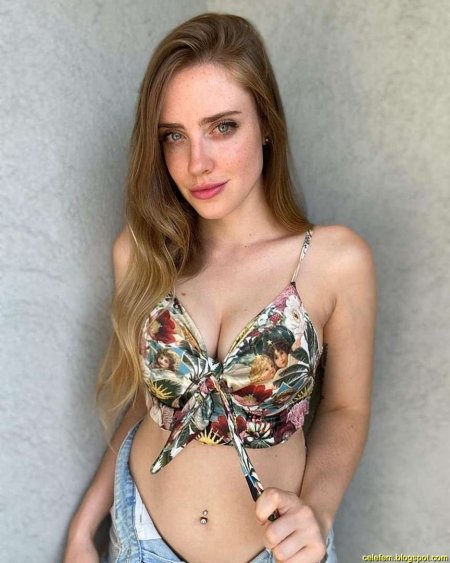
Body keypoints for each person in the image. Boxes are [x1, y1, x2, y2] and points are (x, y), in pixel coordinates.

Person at [63, 12, 376, 563]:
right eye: (174, 136)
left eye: (222, 127)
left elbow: (346, 409)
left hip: (281, 552)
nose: (196, 163)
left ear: (266, 124)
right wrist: (84, 528)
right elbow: (148, 404)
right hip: (140, 541)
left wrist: (319, 513)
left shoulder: (334, 260)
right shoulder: (142, 254)